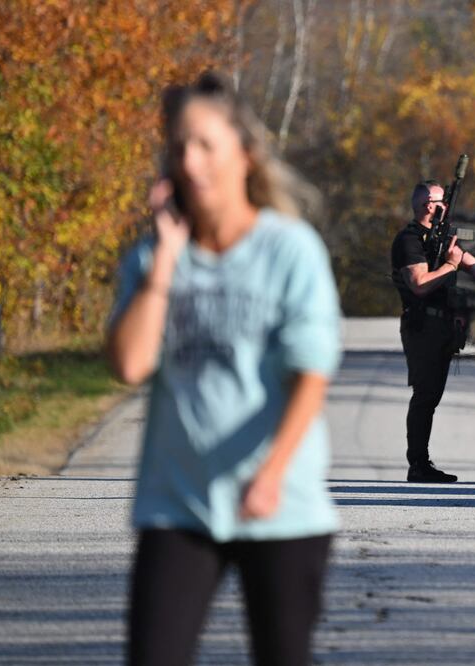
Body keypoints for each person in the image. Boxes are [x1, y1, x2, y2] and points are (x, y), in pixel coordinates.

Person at [107, 71, 341, 665]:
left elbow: (312, 376)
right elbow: (130, 364)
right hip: (178, 504)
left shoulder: (289, 250)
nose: (191, 162)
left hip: (280, 505)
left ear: (245, 153)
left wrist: (272, 472)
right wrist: (164, 263)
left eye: (206, 145)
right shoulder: (153, 255)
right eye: (179, 147)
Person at [391, 180, 475, 483]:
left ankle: (421, 463)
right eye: (440, 201)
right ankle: (418, 464)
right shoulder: (409, 241)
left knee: (431, 395)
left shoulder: (440, 239)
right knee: (425, 395)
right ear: (428, 205)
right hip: (422, 327)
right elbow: (419, 284)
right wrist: (450, 266)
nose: (445, 206)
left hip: (443, 327)